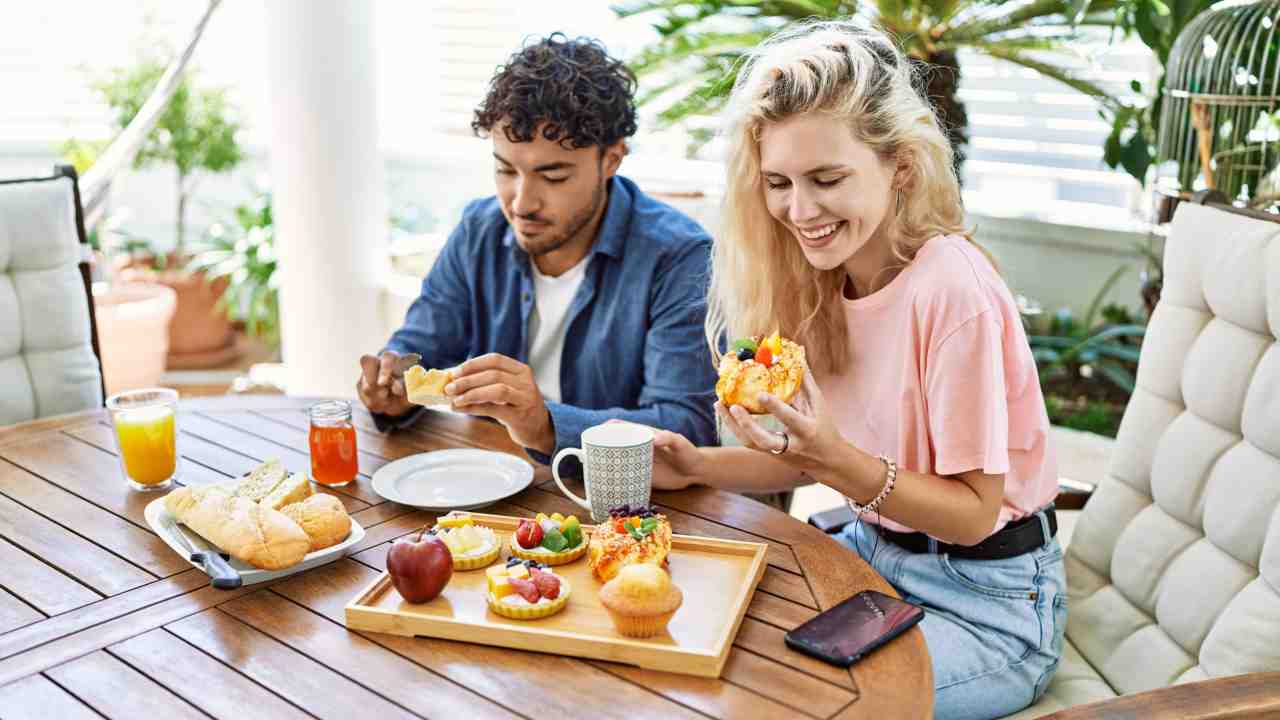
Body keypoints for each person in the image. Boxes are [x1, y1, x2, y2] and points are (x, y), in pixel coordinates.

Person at [641, 22, 1065, 720]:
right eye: (778, 183)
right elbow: (814, 465)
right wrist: (696, 466)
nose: (799, 211)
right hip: (872, 560)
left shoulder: (950, 290)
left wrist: (834, 458)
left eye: (827, 179)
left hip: (990, 607)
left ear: (900, 166)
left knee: (788, 703)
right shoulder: (819, 281)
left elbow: (972, 513)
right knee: (700, 643)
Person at [358, 34, 718, 465]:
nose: (522, 202)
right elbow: (423, 344)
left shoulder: (679, 257)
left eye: (554, 176)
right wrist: (393, 382)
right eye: (506, 170)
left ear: (612, 160)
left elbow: (685, 427)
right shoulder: (479, 229)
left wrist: (545, 425)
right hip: (491, 487)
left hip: (619, 509)